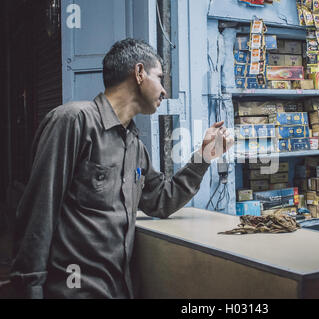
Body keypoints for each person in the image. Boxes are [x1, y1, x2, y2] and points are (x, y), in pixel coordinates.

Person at [10, 38, 234, 299]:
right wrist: (30, 288)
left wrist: (204, 156)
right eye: (159, 78)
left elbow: (161, 200)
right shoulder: (73, 121)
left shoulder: (135, 147)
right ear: (139, 73)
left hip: (119, 290)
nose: (164, 92)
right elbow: (38, 211)